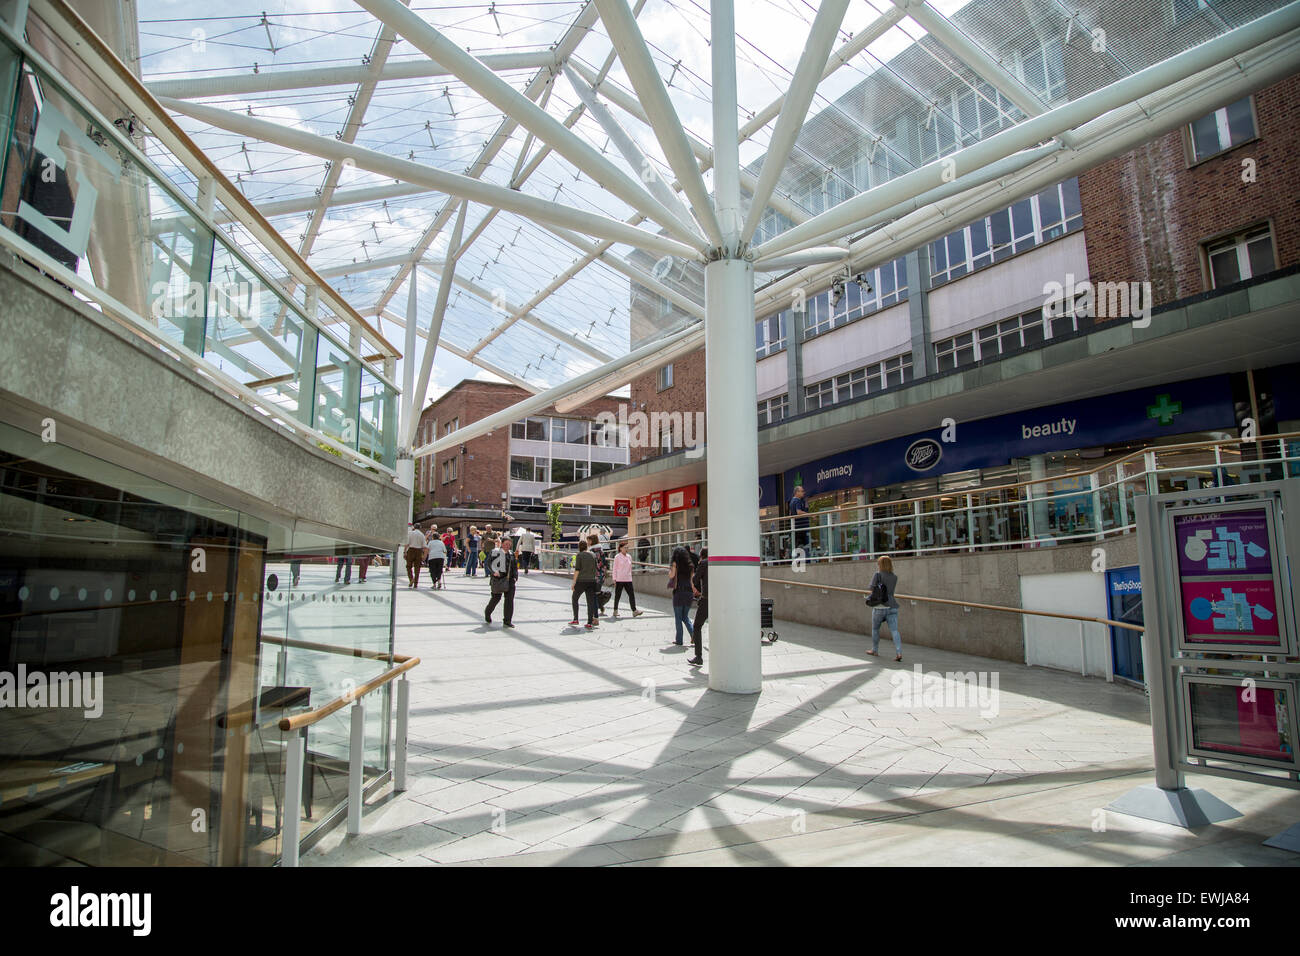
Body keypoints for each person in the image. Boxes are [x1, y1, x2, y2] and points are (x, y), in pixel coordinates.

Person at [866, 554, 903, 662]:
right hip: (892, 606)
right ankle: (899, 652)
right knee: (895, 630)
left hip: (880, 606)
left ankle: (875, 649)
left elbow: (871, 588)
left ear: (880, 564)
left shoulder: (877, 575)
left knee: (875, 629)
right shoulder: (894, 576)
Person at [484, 537, 518, 627]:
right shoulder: (495, 552)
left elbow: (514, 566)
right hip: (498, 579)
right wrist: (494, 572)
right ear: (501, 544)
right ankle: (487, 612)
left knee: (509, 600)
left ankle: (507, 620)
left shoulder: (511, 554)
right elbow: (489, 563)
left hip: (509, 579)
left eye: (509, 544)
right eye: (506, 544)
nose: (508, 546)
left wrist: (515, 577)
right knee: (496, 598)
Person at [668, 546, 694, 646]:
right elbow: (692, 581)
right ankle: (693, 635)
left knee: (678, 617)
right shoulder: (690, 566)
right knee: (685, 616)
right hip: (688, 593)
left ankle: (679, 640)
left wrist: (672, 567)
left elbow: (671, 575)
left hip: (679, 592)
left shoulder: (675, 564)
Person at [569, 539, 599, 628]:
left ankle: (576, 619)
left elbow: (577, 570)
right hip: (592, 581)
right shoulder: (593, 555)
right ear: (587, 546)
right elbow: (595, 568)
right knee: (590, 602)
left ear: (579, 547)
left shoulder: (579, 555)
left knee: (575, 598)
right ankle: (589, 622)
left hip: (581, 581)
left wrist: (573, 583)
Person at [610, 539, 643, 619]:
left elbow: (630, 568)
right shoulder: (617, 557)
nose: (626, 549)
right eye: (625, 547)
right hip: (619, 579)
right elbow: (614, 568)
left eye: (627, 547)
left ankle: (634, 610)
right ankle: (615, 610)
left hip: (628, 579)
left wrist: (630, 575)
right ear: (620, 548)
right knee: (618, 595)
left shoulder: (629, 556)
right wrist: (614, 579)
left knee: (631, 595)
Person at [687, 548, 708, 666]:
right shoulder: (716, 563)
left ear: (701, 556)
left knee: (697, 626)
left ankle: (698, 656)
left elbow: (695, 580)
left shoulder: (704, 563)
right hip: (719, 600)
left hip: (706, 599)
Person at [403, 523, 427, 589]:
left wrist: (404, 552)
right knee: (417, 568)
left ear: (414, 527)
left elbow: (407, 544)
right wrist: (424, 555)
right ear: (420, 528)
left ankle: (411, 579)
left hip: (411, 550)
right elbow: (424, 546)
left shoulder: (410, 533)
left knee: (408, 566)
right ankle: (416, 583)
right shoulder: (422, 535)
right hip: (419, 551)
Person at [789, 484, 810, 553]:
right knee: (803, 545)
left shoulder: (792, 501)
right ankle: (802, 559)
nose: (804, 493)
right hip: (800, 526)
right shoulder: (797, 501)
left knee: (798, 544)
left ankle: (798, 559)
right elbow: (798, 512)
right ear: (797, 492)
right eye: (802, 491)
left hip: (796, 526)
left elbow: (791, 513)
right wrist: (810, 515)